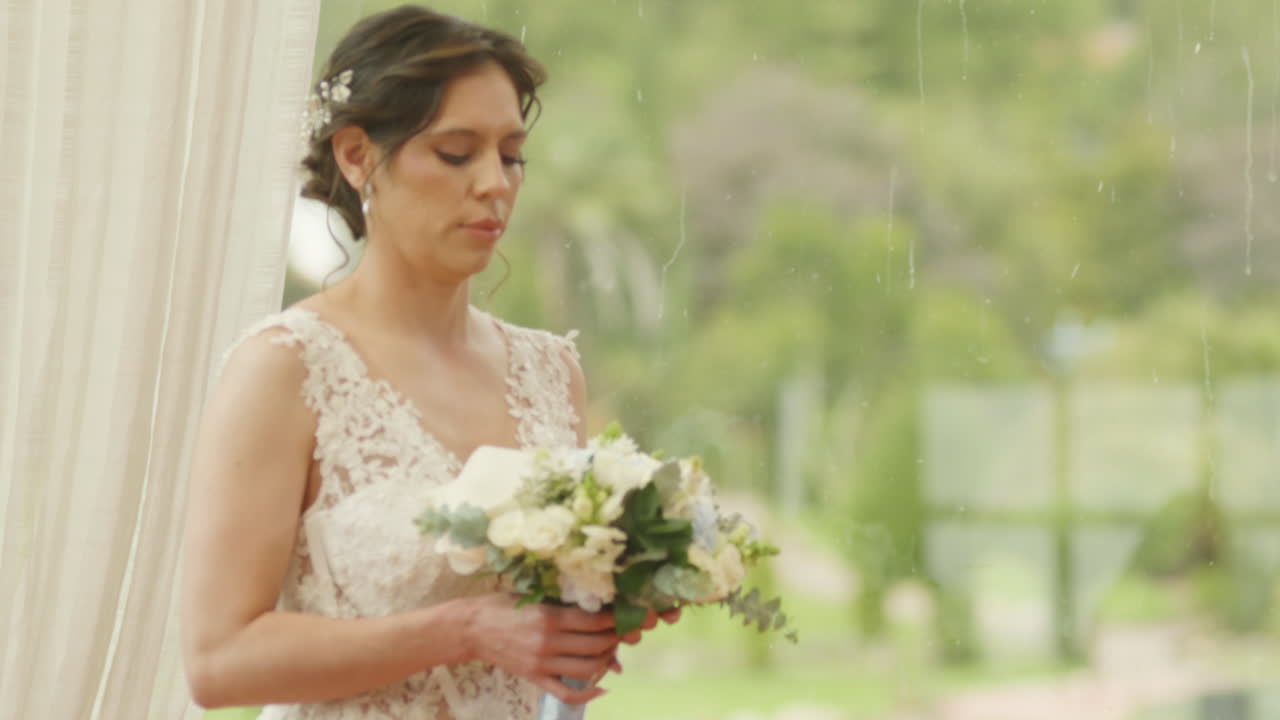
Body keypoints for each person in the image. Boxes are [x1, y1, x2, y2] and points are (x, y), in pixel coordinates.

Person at [181, 6, 675, 718]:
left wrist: (605, 608)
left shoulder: (549, 371)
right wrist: (465, 630)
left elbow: (541, 629)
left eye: (510, 155)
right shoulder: (286, 369)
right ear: (357, 157)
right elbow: (218, 662)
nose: (494, 184)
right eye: (455, 153)